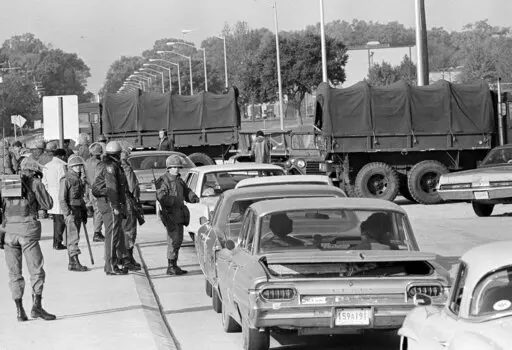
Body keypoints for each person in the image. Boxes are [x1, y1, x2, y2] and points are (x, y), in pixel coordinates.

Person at [1, 157, 56, 322]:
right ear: (34, 171)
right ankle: (37, 307)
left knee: (14, 273)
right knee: (36, 270)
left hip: (9, 233)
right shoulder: (35, 183)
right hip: (28, 233)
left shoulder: (7, 183)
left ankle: (19, 311)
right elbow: (48, 204)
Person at [157, 155, 199, 275]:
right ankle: (171, 266)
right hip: (170, 215)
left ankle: (174, 265)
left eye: (178, 167)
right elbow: (161, 197)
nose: (176, 169)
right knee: (173, 240)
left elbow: (186, 191)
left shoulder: (180, 180)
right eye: (174, 167)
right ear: (168, 168)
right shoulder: (163, 180)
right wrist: (173, 200)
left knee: (178, 240)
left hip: (180, 214)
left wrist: (193, 197)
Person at [92, 141, 129, 276]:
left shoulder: (109, 164)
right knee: (112, 234)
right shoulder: (110, 166)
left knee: (115, 233)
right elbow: (112, 187)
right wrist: (115, 206)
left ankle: (114, 262)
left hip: (108, 202)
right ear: (118, 154)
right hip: (109, 203)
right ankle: (110, 265)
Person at [59, 155, 89, 272]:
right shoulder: (66, 179)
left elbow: (80, 197)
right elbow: (62, 198)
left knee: (74, 236)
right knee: (73, 237)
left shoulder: (79, 179)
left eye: (79, 165)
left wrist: (84, 210)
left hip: (78, 209)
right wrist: (68, 213)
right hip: (71, 210)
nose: (78, 167)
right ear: (71, 167)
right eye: (75, 166)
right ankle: (75, 262)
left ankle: (72, 263)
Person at [120, 146, 142, 271]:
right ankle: (128, 258)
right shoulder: (125, 167)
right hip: (128, 201)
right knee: (130, 231)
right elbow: (132, 185)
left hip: (122, 202)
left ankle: (125, 257)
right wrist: (135, 199)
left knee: (123, 230)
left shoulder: (115, 166)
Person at [42, 148, 68, 250]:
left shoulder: (47, 166)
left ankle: (56, 242)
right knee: (60, 220)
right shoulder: (61, 165)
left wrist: (48, 191)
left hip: (50, 194)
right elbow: (63, 181)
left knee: (56, 220)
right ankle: (58, 242)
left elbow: (44, 181)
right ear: (62, 156)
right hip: (59, 193)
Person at [84, 142, 105, 242]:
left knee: (96, 210)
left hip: (90, 189)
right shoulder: (99, 163)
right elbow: (99, 177)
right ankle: (97, 232)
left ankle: (97, 231)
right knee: (99, 211)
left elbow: (83, 177)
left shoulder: (86, 162)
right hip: (98, 190)